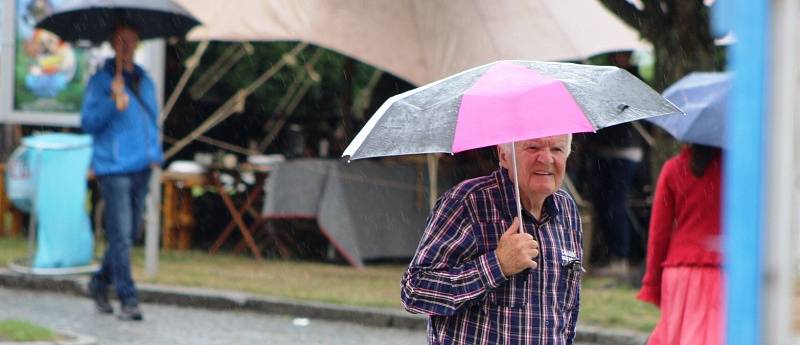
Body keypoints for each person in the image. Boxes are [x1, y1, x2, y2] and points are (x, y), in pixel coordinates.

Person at [401, 135, 584, 345]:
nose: (546, 158)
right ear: (504, 156)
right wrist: (497, 264)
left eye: (557, 150)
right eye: (533, 147)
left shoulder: (567, 211)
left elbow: (568, 311)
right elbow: (414, 291)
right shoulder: (467, 202)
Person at [81, 23, 163, 321]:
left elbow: (152, 121)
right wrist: (113, 103)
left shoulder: (145, 80)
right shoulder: (101, 82)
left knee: (130, 233)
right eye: (121, 40)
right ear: (113, 44)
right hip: (114, 167)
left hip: (142, 165)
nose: (127, 45)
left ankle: (100, 281)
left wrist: (155, 154)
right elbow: (88, 122)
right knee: (121, 235)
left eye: (131, 40)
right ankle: (129, 299)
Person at [637, 144, 723, 344]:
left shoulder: (674, 168)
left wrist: (652, 281)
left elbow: (659, 233)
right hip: (723, 270)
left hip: (679, 272)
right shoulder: (738, 172)